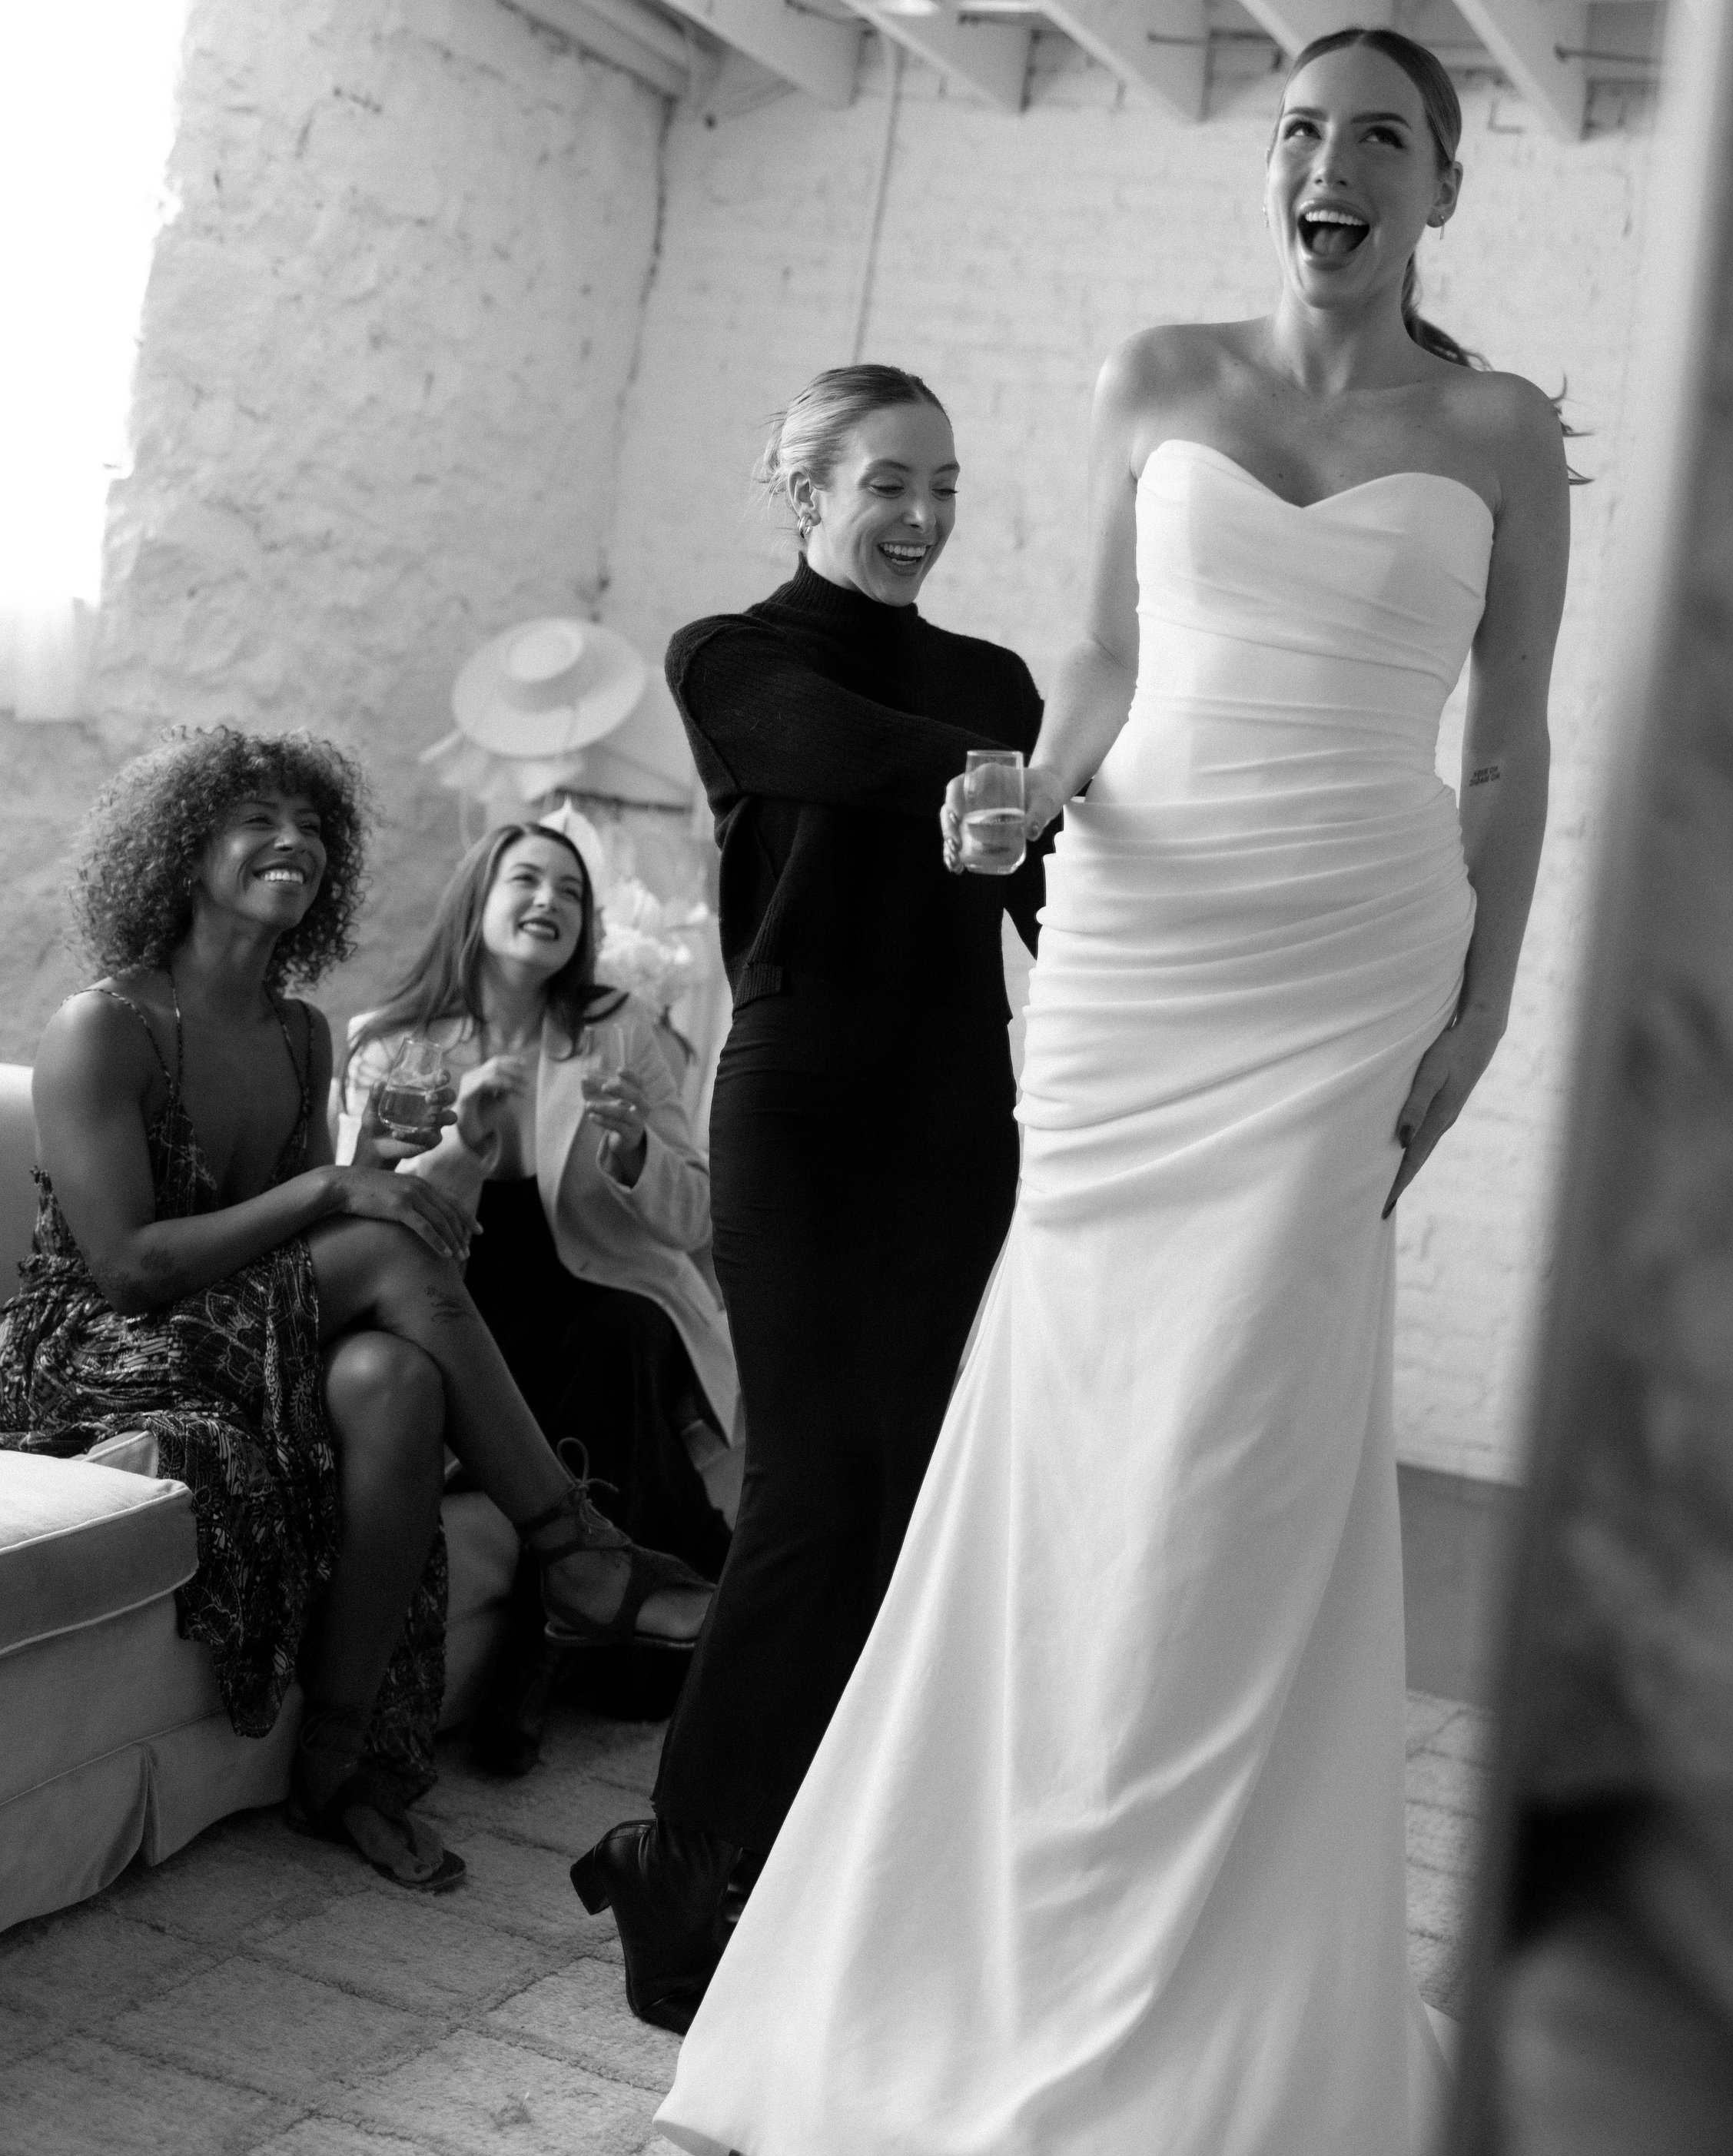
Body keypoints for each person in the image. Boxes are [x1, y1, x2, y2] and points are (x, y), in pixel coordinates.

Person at [651, 26, 1572, 2156]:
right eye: (1295, 131)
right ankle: (972, 1959)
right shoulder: (1157, 370)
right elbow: (1095, 667)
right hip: (1142, 968)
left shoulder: (1503, 430)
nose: (1325, 163)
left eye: (1376, 136)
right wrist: (1028, 792)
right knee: (1069, 1447)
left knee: (1239, 1455)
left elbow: (1507, 746)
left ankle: (1213, 2002)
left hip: (1348, 965)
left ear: (1438, 186)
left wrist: (1487, 993)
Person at [0, 728, 713, 1895]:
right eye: (259, 820)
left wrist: (389, 1166)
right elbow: (129, 1267)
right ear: (183, 851)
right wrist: (336, 1183)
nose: (297, 842)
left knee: (396, 1384)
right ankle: (576, 1551)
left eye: (314, 825)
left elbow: (282, 1243)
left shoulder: (301, 1032)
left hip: (241, 1327)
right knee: (379, 1243)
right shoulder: (103, 1026)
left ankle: (342, 1768)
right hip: (97, 1351)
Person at [571, 364, 1054, 2030]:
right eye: (886, 484)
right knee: (803, 1493)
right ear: (805, 492)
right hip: (797, 1100)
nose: (920, 517)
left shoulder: (992, 675)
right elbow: (841, 756)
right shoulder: (732, 658)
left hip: (953, 1116)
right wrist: (1019, 771)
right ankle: (677, 1847)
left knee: (904, 1500)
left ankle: (807, 1855)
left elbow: (1050, 893)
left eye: (944, 486)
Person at [344, 819, 737, 1776]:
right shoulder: (391, 1045)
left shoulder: (621, 1026)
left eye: (570, 891)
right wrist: (463, 1145)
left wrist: (636, 1149)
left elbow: (692, 1218)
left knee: (619, 1336)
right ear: (477, 901)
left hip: (603, 1295)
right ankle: (653, 1595)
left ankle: (534, 1645)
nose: (549, 902)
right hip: (454, 1299)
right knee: (579, 1359)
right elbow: (364, 1217)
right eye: (527, 879)